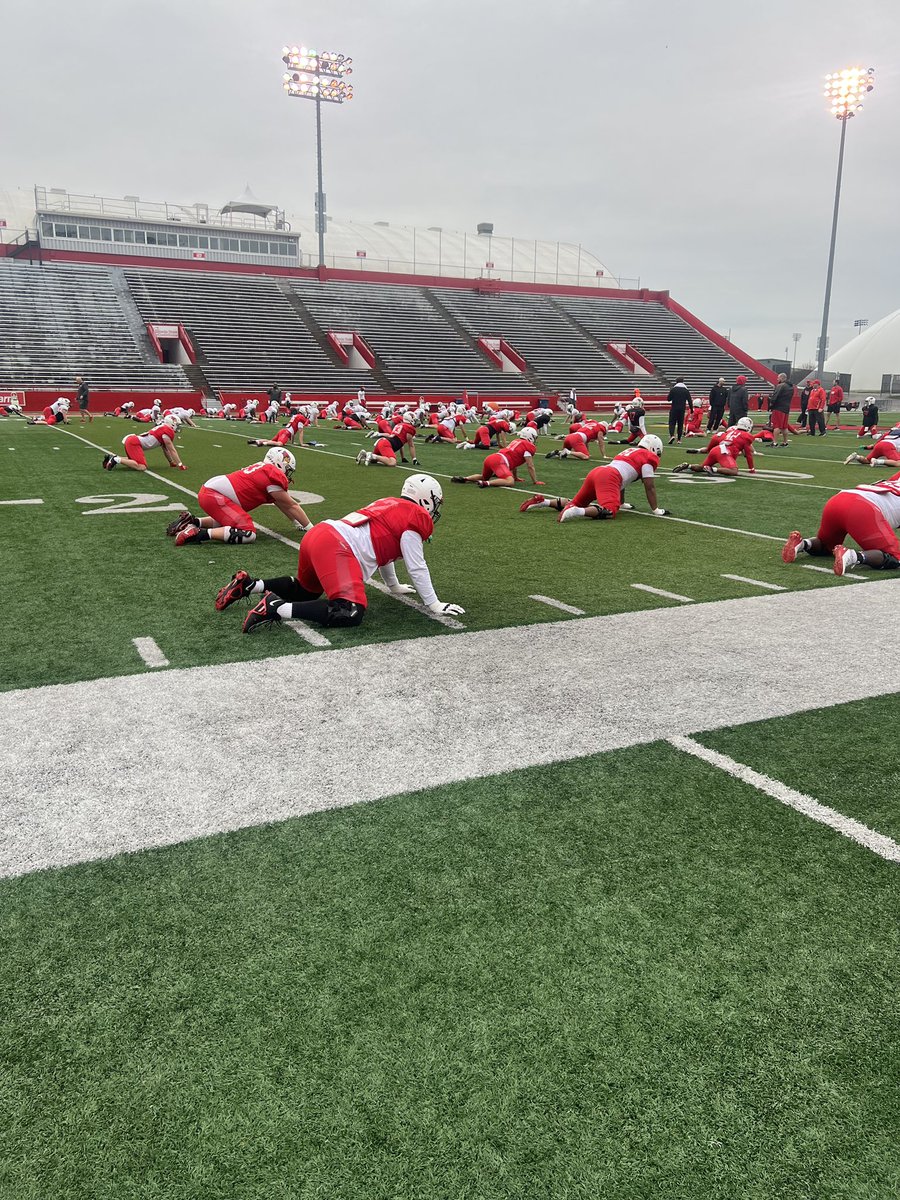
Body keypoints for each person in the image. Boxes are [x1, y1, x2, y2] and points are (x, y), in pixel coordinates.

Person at [215, 475, 464, 631]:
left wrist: (394, 585)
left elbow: (384, 551)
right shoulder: (415, 516)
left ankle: (249, 585)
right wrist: (434, 603)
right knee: (350, 611)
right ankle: (275, 608)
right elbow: (416, 565)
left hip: (321, 534)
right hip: (337, 546)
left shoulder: (390, 503)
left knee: (306, 590)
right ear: (426, 500)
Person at [167, 448, 312, 545]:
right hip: (214, 495)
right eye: (287, 469)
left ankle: (192, 521)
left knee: (232, 521)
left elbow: (282, 503)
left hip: (211, 491)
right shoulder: (271, 475)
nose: (287, 474)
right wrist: (311, 528)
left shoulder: (264, 470)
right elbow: (291, 505)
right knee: (248, 533)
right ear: (280, 463)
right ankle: (198, 534)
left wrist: (297, 523)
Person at [519, 436, 670, 520]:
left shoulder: (630, 451)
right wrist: (656, 509)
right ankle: (577, 512)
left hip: (597, 472)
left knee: (575, 502)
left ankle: (544, 501)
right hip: (609, 477)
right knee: (609, 511)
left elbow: (624, 479)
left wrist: (622, 502)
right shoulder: (649, 457)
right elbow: (649, 486)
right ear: (654, 449)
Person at [782, 471, 900, 576]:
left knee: (825, 545)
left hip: (838, 500)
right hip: (863, 508)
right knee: (894, 557)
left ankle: (803, 543)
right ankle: (852, 556)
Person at [450, 427, 545, 488]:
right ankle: (486, 484)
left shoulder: (516, 441)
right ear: (530, 437)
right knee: (510, 482)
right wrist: (535, 481)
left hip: (492, 458)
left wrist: (516, 477)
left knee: (483, 476)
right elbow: (530, 465)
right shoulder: (528, 446)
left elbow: (514, 463)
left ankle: (466, 479)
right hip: (500, 461)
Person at [672, 417, 757, 477]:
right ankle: (712, 469)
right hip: (724, 453)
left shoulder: (731, 431)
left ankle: (688, 466)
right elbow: (748, 454)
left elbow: (718, 438)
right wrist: (752, 469)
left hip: (716, 449)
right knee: (733, 471)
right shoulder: (747, 436)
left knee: (702, 468)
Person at [103, 415, 185, 472]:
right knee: (142, 467)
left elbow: (165, 449)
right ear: (171, 423)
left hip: (133, 441)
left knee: (134, 461)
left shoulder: (163, 428)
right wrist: (180, 464)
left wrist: (171, 462)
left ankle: (114, 457)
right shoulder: (167, 431)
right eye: (177, 424)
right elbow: (172, 450)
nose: (178, 426)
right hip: (134, 443)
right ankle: (116, 460)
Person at [769, 373, 795, 447]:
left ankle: (774, 442)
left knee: (776, 426)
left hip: (778, 408)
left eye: (778, 378)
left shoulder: (781, 385)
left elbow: (775, 396)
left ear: (781, 378)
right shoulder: (791, 387)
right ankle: (785, 442)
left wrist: (771, 405)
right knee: (784, 426)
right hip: (786, 408)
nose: (777, 379)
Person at [666, 378, 693, 444]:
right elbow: (689, 400)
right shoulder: (686, 390)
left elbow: (668, 399)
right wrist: (691, 409)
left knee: (672, 423)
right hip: (682, 409)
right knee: (680, 424)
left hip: (674, 408)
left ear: (676, 382)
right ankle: (679, 439)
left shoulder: (674, 389)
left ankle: (672, 435)